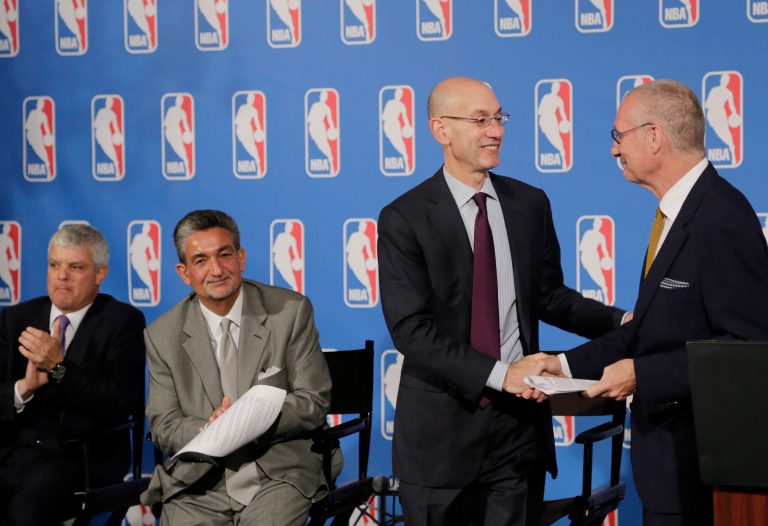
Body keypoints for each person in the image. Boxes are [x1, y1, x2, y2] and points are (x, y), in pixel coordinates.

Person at [377, 76, 627, 526]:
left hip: (518, 431)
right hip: (439, 440)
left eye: (498, 118)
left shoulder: (529, 203)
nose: (495, 131)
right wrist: (501, 374)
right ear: (440, 129)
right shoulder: (404, 218)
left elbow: (549, 296)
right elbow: (411, 330)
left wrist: (623, 321)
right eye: (480, 120)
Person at [535, 80, 768, 525]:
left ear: (654, 136)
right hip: (668, 468)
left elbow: (746, 349)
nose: (613, 149)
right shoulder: (675, 214)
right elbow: (646, 331)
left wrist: (643, 374)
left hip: (703, 471)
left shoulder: (721, 216)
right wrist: (560, 365)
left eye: (619, 135)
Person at [142, 209, 337, 525]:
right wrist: (211, 429)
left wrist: (247, 421)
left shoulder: (289, 312)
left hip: (278, 469)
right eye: (201, 260)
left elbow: (313, 401)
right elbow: (164, 424)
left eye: (224, 255)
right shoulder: (162, 335)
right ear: (184, 272)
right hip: (199, 480)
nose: (216, 269)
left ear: (241, 258)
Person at [0, 224, 146, 525]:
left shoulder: (122, 322)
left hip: (82, 458)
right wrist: (23, 388)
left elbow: (119, 403)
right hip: (13, 452)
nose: (61, 276)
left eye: (75, 267)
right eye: (54, 265)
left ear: (100, 274)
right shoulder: (16, 318)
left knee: (23, 512)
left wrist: (59, 368)